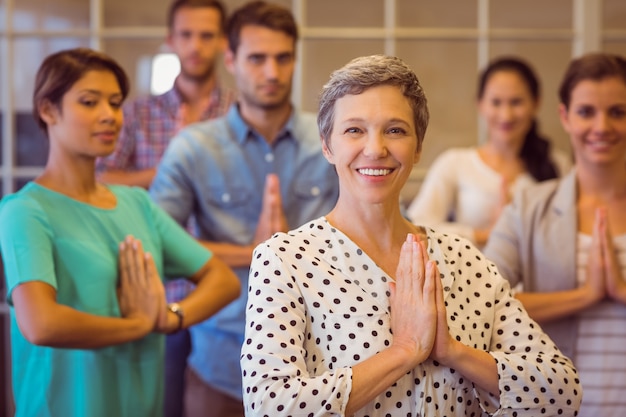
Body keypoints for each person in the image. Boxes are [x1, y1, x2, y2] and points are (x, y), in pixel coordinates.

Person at [241, 54, 582, 416]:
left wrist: (454, 352)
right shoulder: (284, 260)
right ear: (328, 146)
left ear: (418, 147)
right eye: (354, 129)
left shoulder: (466, 261)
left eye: (395, 130)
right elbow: (268, 407)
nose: (375, 149)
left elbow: (562, 392)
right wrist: (404, 350)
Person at [0, 48, 240, 417]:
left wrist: (170, 317)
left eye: (114, 103)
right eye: (89, 102)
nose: (109, 116)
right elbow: (40, 324)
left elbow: (222, 280)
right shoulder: (25, 211)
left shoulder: (136, 204)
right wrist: (138, 326)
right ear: (48, 110)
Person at [149, 2, 339, 416]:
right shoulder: (194, 148)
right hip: (220, 366)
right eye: (257, 58)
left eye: (283, 58)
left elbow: (364, 239)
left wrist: (291, 253)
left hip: (323, 367)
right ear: (231, 59)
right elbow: (155, 244)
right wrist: (258, 254)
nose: (272, 72)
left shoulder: (334, 143)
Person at [96, 2, 235, 415]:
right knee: (162, 405)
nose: (196, 46)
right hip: (159, 288)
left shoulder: (238, 115)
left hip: (225, 291)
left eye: (207, 35)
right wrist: (171, 164)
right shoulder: (137, 113)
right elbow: (101, 178)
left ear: (223, 43)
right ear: (170, 39)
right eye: (186, 35)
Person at [483, 52, 626, 416]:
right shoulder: (527, 208)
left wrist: (621, 292)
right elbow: (483, 302)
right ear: (564, 116)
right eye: (586, 112)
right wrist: (585, 295)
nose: (601, 126)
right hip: (556, 407)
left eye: (617, 112)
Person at [406, 57, 572, 248]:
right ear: (480, 104)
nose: (506, 114)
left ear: (536, 104)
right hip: (470, 276)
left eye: (516, 102)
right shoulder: (455, 163)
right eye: (496, 102)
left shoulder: (559, 165)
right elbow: (418, 228)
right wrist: (486, 235)